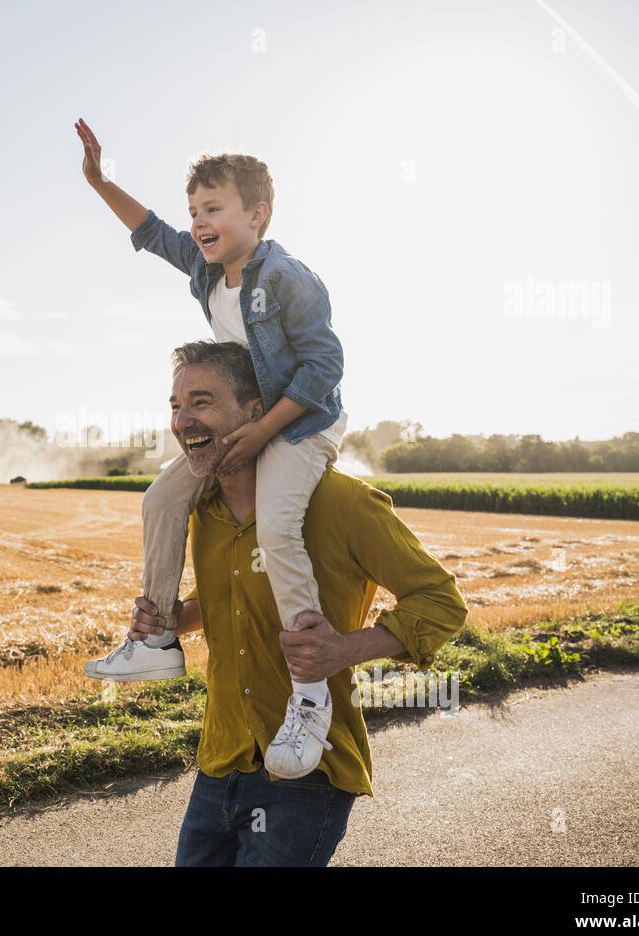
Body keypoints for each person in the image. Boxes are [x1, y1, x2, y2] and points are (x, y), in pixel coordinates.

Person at [121, 341, 467, 866]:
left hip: (309, 771)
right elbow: (225, 599)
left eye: (202, 402)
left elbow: (441, 600)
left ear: (256, 413)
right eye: (175, 405)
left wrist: (346, 650)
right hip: (220, 759)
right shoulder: (204, 511)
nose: (181, 420)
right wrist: (173, 618)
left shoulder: (342, 503)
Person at [75, 118, 348, 778]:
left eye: (214, 208)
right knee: (163, 498)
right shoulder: (205, 268)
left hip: (302, 424)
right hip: (245, 420)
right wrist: (98, 179)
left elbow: (324, 367)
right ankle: (160, 636)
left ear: (257, 213)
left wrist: (262, 432)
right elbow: (149, 232)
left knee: (277, 530)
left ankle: (311, 697)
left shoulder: (286, 277)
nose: (198, 220)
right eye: (195, 210)